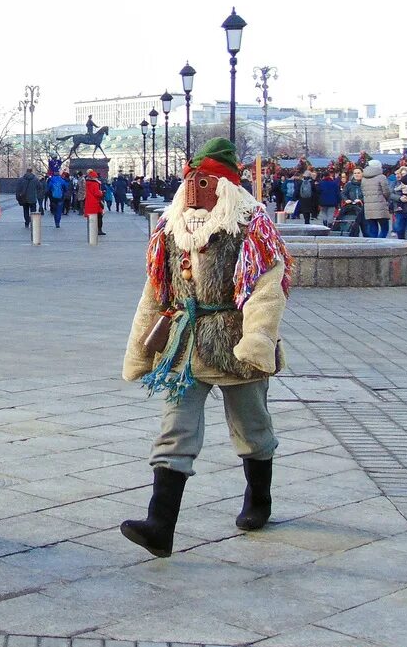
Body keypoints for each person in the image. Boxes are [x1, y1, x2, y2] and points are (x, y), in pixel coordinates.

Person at [121, 138, 290, 558]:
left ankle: (259, 498)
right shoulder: (171, 230)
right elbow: (155, 292)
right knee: (174, 430)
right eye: (192, 182)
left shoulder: (250, 227)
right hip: (183, 344)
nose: (197, 191)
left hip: (234, 341)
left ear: (226, 186)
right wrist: (140, 350)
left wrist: (257, 339)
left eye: (206, 182)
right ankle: (160, 526)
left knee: (251, 426)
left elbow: (266, 289)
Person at [360, 161, 391, 239]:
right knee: (384, 228)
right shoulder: (381, 177)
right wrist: (387, 199)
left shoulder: (364, 178)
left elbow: (363, 191)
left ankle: (373, 245)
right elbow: (386, 192)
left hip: (368, 207)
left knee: (373, 229)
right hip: (380, 206)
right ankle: (379, 244)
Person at [83, 170, 105, 235]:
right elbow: (97, 193)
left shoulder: (87, 183)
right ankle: (99, 230)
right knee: (99, 217)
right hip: (96, 202)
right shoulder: (94, 184)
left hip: (89, 201)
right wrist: (102, 193)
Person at [392, 167, 407, 240]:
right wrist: (399, 198)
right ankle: (401, 243)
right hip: (399, 208)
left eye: (402, 174)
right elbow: (390, 194)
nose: (399, 175)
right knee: (399, 229)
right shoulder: (395, 183)